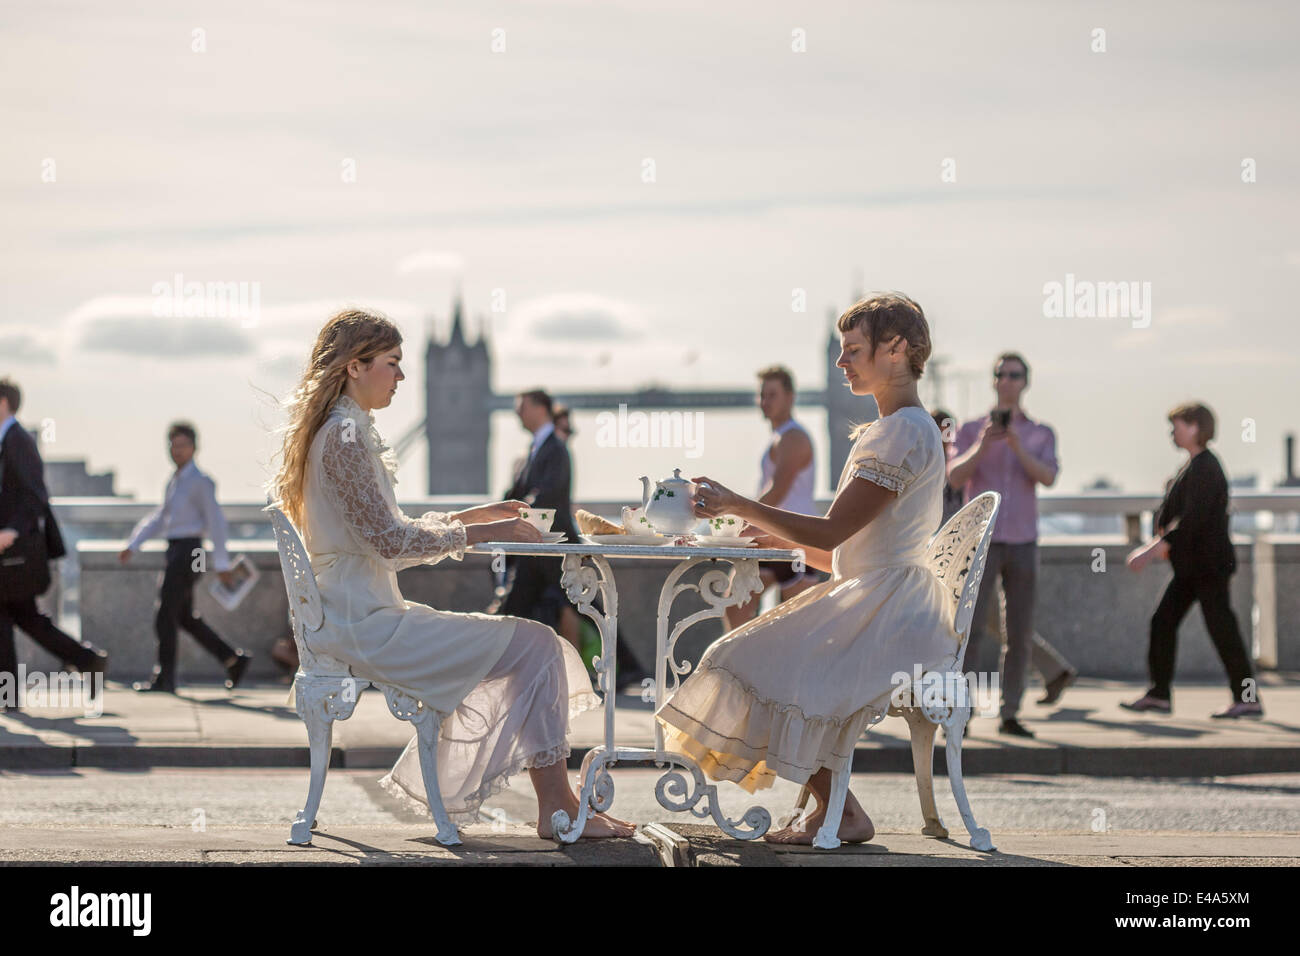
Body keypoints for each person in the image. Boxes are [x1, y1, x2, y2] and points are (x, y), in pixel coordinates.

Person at [267, 308, 633, 838]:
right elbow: (391, 544)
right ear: (354, 366)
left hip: (357, 614)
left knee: (534, 646)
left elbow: (385, 529)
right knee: (537, 645)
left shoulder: (340, 432)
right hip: (366, 625)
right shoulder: (345, 438)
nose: (402, 377)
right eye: (393, 363)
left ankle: (559, 805)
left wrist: (477, 516)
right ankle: (557, 808)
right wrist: (479, 536)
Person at [656, 292, 957, 845]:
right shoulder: (906, 428)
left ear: (894, 350)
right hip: (886, 592)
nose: (840, 363)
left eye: (853, 351)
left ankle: (840, 811)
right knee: (753, 657)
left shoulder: (899, 433)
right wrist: (776, 541)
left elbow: (832, 533)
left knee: (740, 658)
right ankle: (836, 808)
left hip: (889, 610)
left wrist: (739, 504)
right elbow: (846, 551)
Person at [947, 353, 1076, 737]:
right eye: (1001, 375)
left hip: (1022, 540)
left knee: (1018, 632)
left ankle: (1010, 713)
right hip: (981, 542)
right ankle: (961, 714)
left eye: (1014, 375)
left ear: (1025, 382)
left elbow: (1048, 476)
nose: (1007, 381)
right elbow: (954, 477)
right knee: (966, 633)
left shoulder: (1040, 433)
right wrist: (984, 443)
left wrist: (1017, 445)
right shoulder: (971, 429)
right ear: (993, 381)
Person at [1123, 403, 1262, 718]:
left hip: (1207, 568)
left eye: (1178, 425)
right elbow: (1177, 513)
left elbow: (1193, 520)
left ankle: (1247, 698)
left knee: (1221, 629)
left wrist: (1152, 549)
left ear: (1196, 427)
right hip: (1192, 569)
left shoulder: (1206, 467)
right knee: (1164, 622)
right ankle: (1159, 694)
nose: (1173, 432)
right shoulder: (1193, 466)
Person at [119, 422, 251, 693]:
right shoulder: (175, 481)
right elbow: (160, 518)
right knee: (183, 615)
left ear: (194, 448)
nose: (177, 451)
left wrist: (222, 564)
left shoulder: (200, 482)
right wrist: (134, 544)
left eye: (183, 446)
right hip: (178, 549)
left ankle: (165, 677)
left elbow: (216, 522)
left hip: (192, 552)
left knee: (165, 613)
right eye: (173, 445)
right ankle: (233, 658)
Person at [0, 378, 108, 709]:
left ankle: (7, 695)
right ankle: (86, 660)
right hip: (11, 550)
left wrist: (11, 531)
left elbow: (36, 496)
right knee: (24, 616)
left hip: (15, 550)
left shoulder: (18, 440)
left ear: (4, 402)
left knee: (9, 616)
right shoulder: (8, 439)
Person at [724, 366, 822, 630]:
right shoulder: (780, 436)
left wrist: (738, 522)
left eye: (772, 395)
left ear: (790, 397)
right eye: (762, 395)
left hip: (794, 539)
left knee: (797, 628)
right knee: (735, 606)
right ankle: (738, 668)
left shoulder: (794, 437)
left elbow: (778, 491)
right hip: (772, 537)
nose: (764, 402)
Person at [490, 390, 581, 632]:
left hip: (553, 546)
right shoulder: (537, 448)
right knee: (520, 609)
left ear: (540, 409)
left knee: (585, 610)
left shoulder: (555, 448)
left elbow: (547, 494)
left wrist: (515, 513)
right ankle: (628, 667)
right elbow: (517, 493)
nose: (517, 413)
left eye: (522, 407)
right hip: (536, 547)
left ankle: (627, 667)